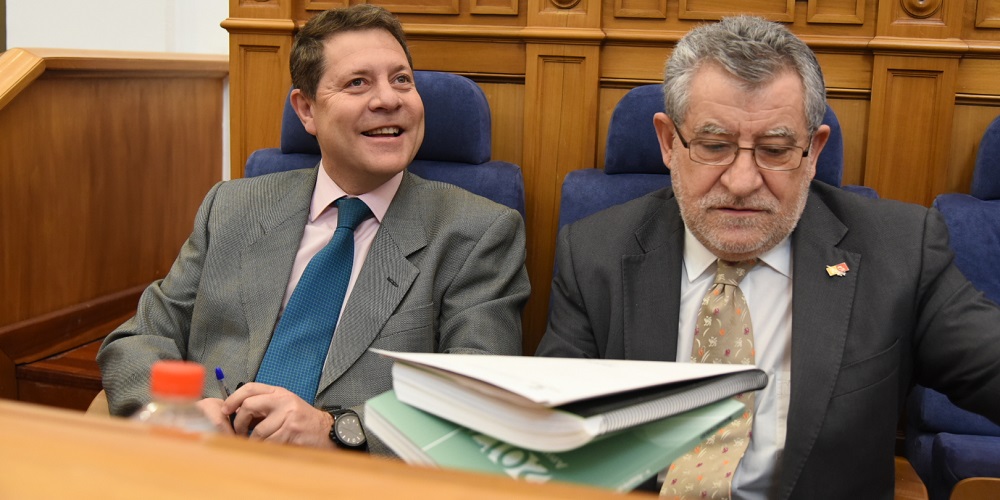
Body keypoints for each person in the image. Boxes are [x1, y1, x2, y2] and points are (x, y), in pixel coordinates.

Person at [536, 15, 1000, 500]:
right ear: (670, 142)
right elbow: (550, 434)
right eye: (714, 146)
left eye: (775, 150)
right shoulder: (595, 254)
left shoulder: (900, 251)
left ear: (813, 150)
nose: (742, 182)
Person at [97, 5, 529, 454]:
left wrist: (336, 430)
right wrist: (182, 409)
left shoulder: (477, 232)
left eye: (402, 79)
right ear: (307, 110)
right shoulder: (232, 207)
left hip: (348, 475)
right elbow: (137, 339)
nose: (389, 99)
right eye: (358, 82)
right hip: (202, 461)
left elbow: (478, 391)